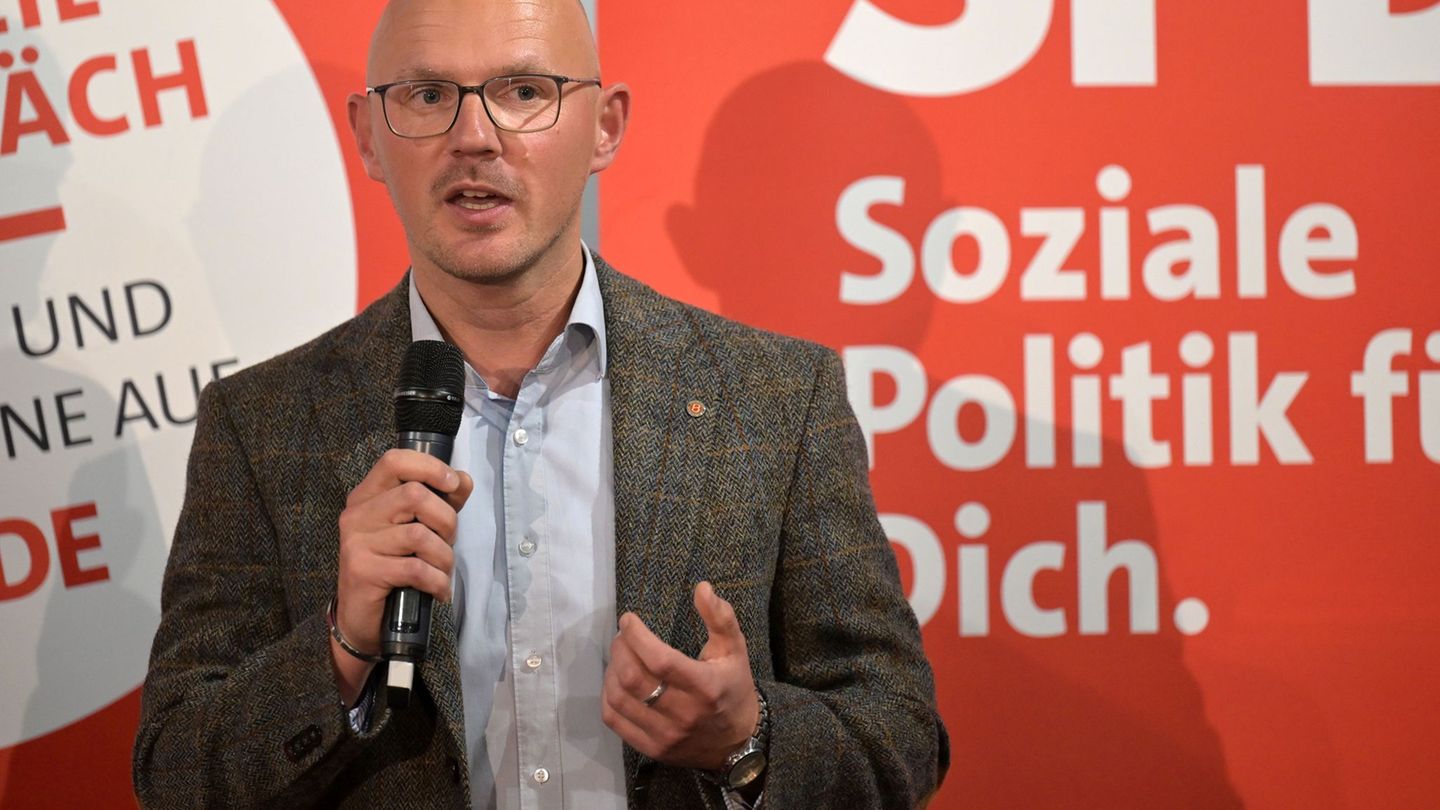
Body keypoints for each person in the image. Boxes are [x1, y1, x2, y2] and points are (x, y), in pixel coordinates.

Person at [132, 0, 948, 807]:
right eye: (426, 96)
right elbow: (172, 774)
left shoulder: (775, 398)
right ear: (366, 137)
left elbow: (901, 739)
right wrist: (340, 648)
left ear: (606, 126)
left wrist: (748, 740)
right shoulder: (262, 423)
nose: (475, 137)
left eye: (524, 92)